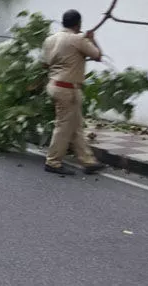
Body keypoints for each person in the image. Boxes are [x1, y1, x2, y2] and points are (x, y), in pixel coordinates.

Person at [40, 10, 107, 176]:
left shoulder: (50, 39)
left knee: (75, 125)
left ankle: (88, 161)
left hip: (54, 85)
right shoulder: (78, 39)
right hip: (67, 89)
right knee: (63, 126)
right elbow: (98, 56)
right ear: (78, 24)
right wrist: (92, 39)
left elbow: (44, 64)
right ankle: (52, 162)